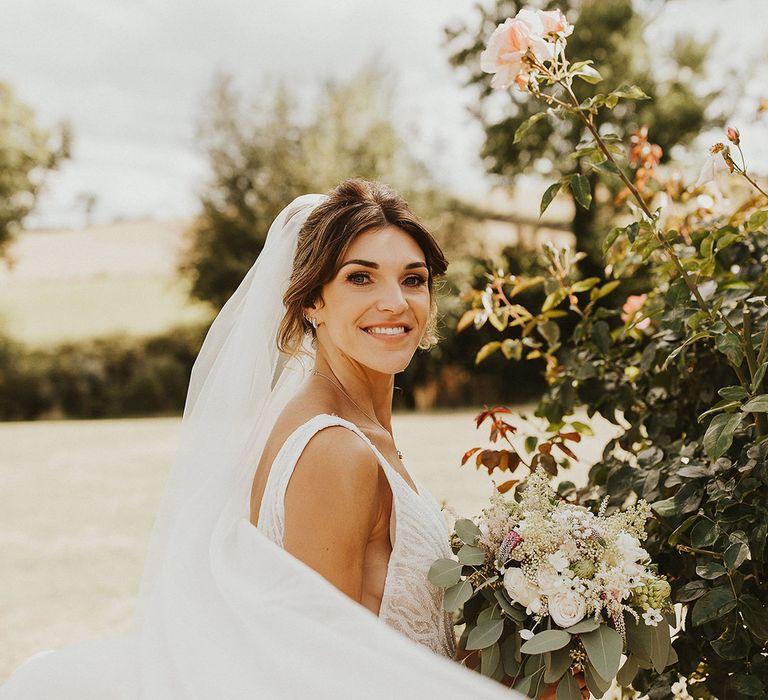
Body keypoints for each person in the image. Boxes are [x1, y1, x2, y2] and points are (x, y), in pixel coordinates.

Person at [0, 179, 517, 699]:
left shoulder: (343, 424)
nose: (394, 302)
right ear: (313, 300)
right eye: (361, 278)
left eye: (413, 279)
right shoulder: (336, 449)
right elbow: (320, 673)